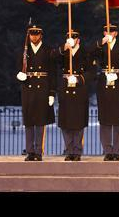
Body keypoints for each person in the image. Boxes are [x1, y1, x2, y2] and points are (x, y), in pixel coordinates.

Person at [90, 24, 119, 161]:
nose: (108, 33)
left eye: (111, 31)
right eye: (106, 31)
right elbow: (88, 54)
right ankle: (107, 150)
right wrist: (100, 43)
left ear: (116, 33)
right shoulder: (100, 46)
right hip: (104, 83)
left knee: (118, 118)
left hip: (118, 83)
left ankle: (116, 151)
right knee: (105, 118)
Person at [15, 22, 56, 161]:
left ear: (41, 35)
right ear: (29, 35)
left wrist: (52, 92)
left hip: (43, 87)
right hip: (28, 87)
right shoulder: (24, 51)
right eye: (32, 34)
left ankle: (38, 151)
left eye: (36, 34)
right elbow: (16, 67)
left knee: (40, 121)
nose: (34, 37)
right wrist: (19, 75)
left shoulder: (48, 50)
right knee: (29, 121)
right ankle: (30, 151)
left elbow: (52, 73)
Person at [57, 30, 89, 161]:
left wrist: (79, 79)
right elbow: (53, 58)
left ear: (78, 40)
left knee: (78, 122)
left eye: (75, 38)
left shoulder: (85, 53)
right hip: (65, 88)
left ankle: (77, 151)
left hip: (79, 89)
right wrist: (64, 48)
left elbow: (91, 72)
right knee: (66, 122)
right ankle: (69, 150)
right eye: (70, 38)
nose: (73, 40)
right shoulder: (64, 52)